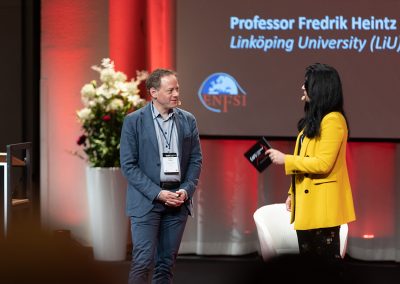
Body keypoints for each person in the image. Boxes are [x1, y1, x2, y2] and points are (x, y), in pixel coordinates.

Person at [120, 68, 202, 283]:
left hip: (177, 200)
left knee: (166, 264)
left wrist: (186, 189)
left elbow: (195, 160)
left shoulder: (188, 120)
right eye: (170, 90)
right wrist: (158, 193)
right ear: (153, 93)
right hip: (147, 201)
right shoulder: (133, 121)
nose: (176, 94)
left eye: (177, 89)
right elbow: (128, 166)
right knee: (143, 260)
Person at [266, 63, 356, 259]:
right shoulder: (316, 120)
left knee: (325, 268)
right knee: (310, 267)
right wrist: (292, 193)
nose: (302, 87)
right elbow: (306, 157)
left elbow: (323, 163)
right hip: (308, 204)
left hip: (323, 208)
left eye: (306, 83)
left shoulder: (333, 121)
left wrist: (285, 159)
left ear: (320, 88)